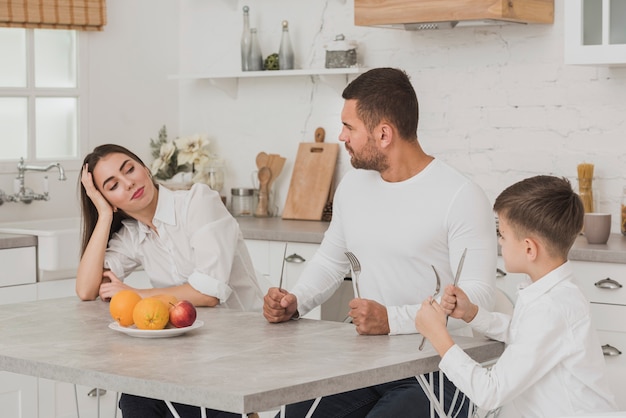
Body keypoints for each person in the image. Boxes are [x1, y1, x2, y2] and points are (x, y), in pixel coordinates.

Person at [263, 67, 497, 417]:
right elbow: (331, 259)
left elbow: (477, 295)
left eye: (349, 127)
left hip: (442, 368)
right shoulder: (353, 187)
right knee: (293, 414)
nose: (341, 136)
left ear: (384, 133)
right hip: (366, 363)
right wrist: (296, 301)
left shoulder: (461, 196)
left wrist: (393, 320)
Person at [77, 143, 263, 418]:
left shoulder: (198, 203)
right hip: (183, 352)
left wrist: (135, 293)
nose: (129, 183)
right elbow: (85, 289)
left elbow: (209, 292)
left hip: (236, 349)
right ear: (109, 200)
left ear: (146, 168)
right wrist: (104, 215)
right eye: (113, 185)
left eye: (130, 169)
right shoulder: (133, 234)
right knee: (135, 395)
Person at [415, 175, 618, 417]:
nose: (499, 242)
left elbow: (490, 392)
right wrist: (473, 314)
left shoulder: (551, 307)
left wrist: (438, 335)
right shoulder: (554, 290)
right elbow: (525, 333)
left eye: (502, 234)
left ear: (530, 249)